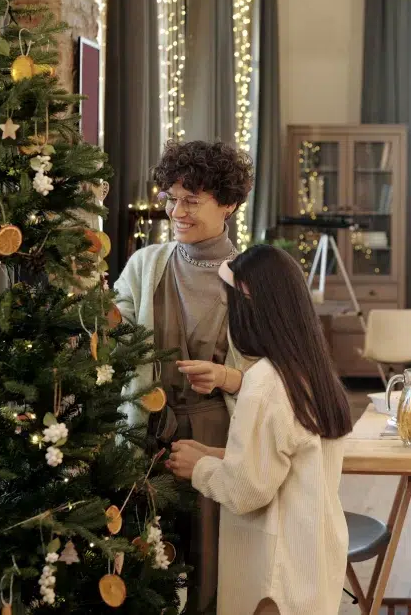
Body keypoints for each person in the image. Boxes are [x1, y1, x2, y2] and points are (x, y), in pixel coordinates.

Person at [167, 245, 352, 615]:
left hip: (275, 572)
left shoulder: (266, 384)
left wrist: (199, 468)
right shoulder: (310, 371)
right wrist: (217, 454)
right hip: (313, 558)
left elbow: (247, 489)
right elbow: (284, 461)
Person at [114, 139, 254, 614]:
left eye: (192, 200)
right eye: (171, 198)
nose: (177, 211)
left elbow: (277, 377)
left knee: (210, 563)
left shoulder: (252, 279)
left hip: (218, 435)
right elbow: (112, 336)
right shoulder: (145, 265)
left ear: (229, 203)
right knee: (142, 559)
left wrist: (226, 375)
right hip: (144, 433)